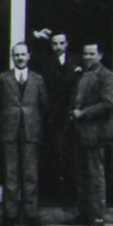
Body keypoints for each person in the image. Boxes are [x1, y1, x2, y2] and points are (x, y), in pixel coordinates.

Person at [0, 42, 49, 226]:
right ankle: (10, 215)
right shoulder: (3, 79)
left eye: (23, 55)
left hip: (31, 131)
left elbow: (44, 105)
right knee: (11, 174)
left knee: (30, 174)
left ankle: (31, 214)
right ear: (12, 57)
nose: (20, 58)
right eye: (16, 55)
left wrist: (37, 124)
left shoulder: (38, 79)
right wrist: (4, 124)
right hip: (10, 131)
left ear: (29, 56)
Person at [31, 28, 83, 208]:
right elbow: (29, 54)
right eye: (54, 44)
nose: (58, 47)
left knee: (73, 158)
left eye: (61, 43)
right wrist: (36, 38)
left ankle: (73, 198)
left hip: (73, 115)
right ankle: (58, 196)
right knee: (56, 155)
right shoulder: (46, 61)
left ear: (67, 44)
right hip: (54, 116)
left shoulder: (77, 61)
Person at [70, 42, 113, 226]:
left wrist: (84, 113)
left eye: (91, 53)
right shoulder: (82, 74)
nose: (88, 57)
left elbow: (108, 104)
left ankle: (97, 217)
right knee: (81, 175)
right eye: (85, 53)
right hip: (80, 132)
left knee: (95, 175)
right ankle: (84, 213)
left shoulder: (107, 76)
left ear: (100, 55)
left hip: (96, 133)